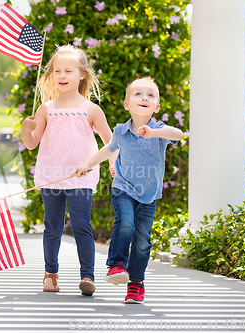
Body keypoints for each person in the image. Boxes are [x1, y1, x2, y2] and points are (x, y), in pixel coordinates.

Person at [73, 77, 183, 303]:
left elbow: (178, 134)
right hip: (123, 188)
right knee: (125, 223)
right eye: (138, 94)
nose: (144, 97)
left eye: (150, 95)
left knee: (143, 241)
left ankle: (136, 284)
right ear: (127, 104)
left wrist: (154, 133)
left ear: (157, 107)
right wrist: (87, 164)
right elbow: (108, 149)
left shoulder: (159, 130)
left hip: (149, 195)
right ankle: (116, 265)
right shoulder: (122, 131)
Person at [21, 45, 113, 296]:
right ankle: (50, 271)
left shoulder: (91, 109)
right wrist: (24, 128)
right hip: (51, 176)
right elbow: (31, 144)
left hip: (80, 177)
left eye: (68, 71)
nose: (62, 75)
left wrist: (107, 163)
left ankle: (87, 276)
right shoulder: (45, 109)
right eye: (57, 71)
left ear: (82, 74)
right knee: (52, 226)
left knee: (82, 225)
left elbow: (112, 144)